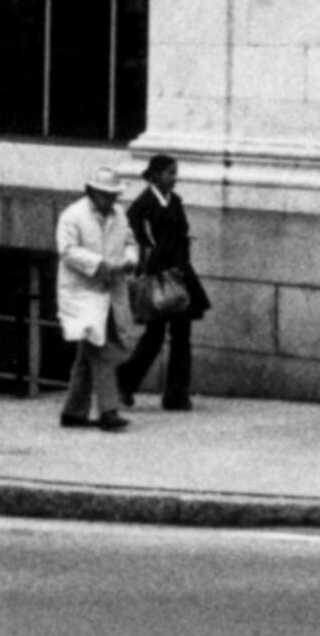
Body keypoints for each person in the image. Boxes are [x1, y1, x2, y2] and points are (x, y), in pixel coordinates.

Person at [115, 153, 208, 414]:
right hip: (158, 276)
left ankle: (177, 394)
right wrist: (153, 262)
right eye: (170, 173)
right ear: (155, 175)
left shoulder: (175, 202)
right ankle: (123, 381)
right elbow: (137, 238)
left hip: (180, 275)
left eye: (175, 172)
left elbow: (183, 235)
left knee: (182, 336)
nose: (174, 178)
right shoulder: (142, 205)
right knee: (154, 336)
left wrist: (181, 263)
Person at [52, 170, 136, 431]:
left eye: (114, 195)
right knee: (100, 349)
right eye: (107, 195)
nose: (111, 200)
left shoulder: (120, 215)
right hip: (82, 292)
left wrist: (130, 259)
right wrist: (99, 264)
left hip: (110, 291)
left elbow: (130, 241)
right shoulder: (72, 216)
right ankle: (109, 411)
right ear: (93, 192)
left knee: (89, 352)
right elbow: (66, 250)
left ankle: (73, 411)